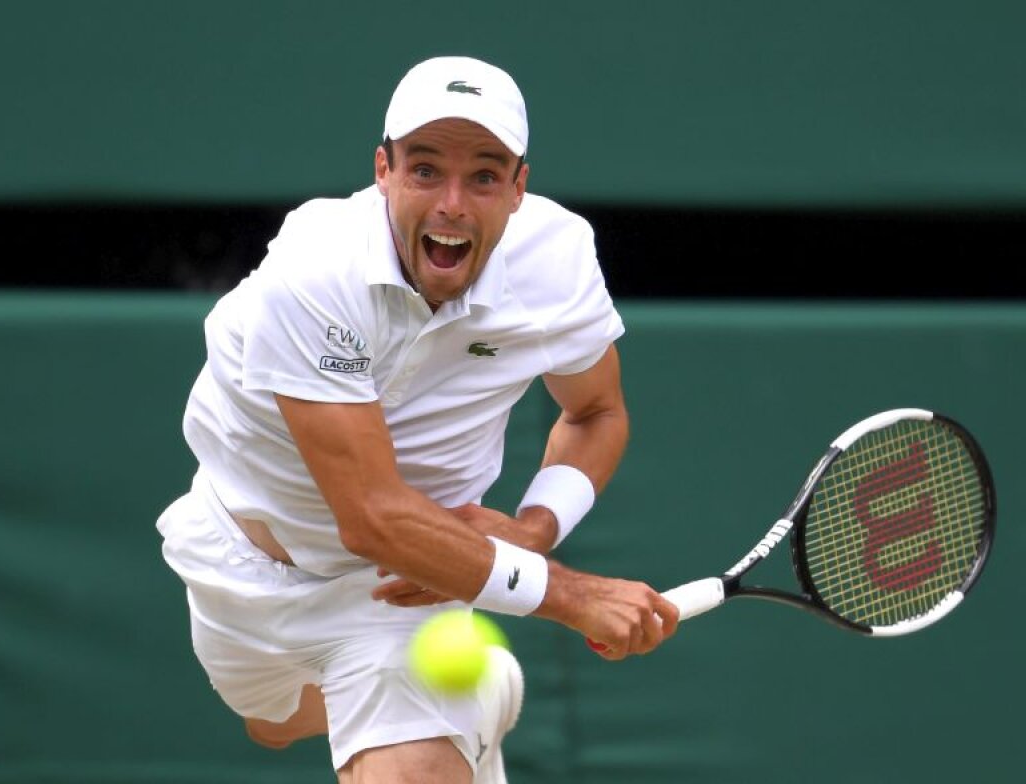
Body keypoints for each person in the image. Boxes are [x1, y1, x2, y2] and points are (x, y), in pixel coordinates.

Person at [156, 55, 679, 783]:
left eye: (485, 177)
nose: (452, 204)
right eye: (426, 170)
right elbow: (371, 515)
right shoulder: (317, 269)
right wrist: (572, 594)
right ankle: (483, 692)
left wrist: (532, 531)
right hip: (237, 556)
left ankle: (442, 721)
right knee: (272, 726)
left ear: (519, 188)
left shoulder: (555, 263)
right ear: (384, 171)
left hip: (412, 577)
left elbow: (596, 411)